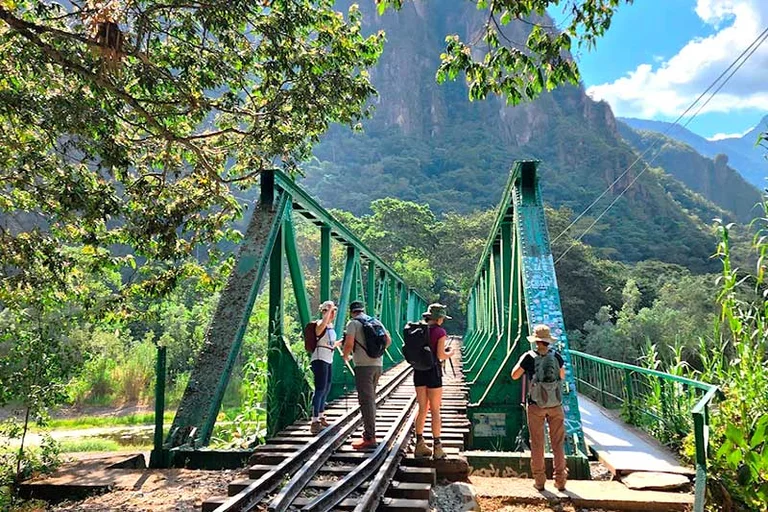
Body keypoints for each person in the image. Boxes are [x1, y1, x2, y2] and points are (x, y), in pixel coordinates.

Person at [511, 324, 567, 491]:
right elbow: (562, 376)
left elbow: (514, 375)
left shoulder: (528, 357)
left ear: (536, 341)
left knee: (537, 443)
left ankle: (540, 481)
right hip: (556, 404)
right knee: (558, 443)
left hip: (536, 405)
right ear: (548, 341)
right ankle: (560, 481)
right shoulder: (556, 356)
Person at [342, 300, 391, 449]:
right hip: (377, 365)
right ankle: (370, 433)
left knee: (366, 401)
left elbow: (349, 344)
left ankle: (370, 437)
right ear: (362, 310)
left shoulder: (352, 324)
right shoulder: (374, 321)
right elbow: (388, 340)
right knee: (370, 399)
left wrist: (345, 356)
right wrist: (377, 353)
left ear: (351, 312)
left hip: (363, 367)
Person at [413, 303, 453, 460]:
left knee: (422, 408)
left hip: (418, 372)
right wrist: (451, 353)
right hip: (433, 373)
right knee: (435, 409)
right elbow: (441, 355)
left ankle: (419, 445)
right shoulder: (440, 331)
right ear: (439, 318)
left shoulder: (418, 330)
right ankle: (437, 448)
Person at [310, 300, 341, 434]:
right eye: (328, 311)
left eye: (333, 311)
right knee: (320, 388)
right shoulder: (320, 324)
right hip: (319, 358)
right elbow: (319, 331)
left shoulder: (330, 327)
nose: (332, 313)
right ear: (322, 312)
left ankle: (321, 415)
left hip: (328, 358)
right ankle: (314, 420)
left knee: (327, 387)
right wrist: (328, 309)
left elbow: (330, 344)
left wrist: (340, 342)